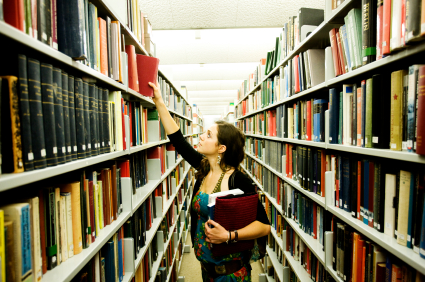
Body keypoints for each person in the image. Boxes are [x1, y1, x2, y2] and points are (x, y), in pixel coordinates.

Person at [149, 81, 271, 282]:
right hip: (206, 269)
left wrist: (229, 236)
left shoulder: (238, 180)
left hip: (231, 273)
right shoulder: (204, 168)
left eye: (208, 135)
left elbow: (264, 226)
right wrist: (160, 102)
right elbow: (178, 140)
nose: (201, 136)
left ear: (221, 148)